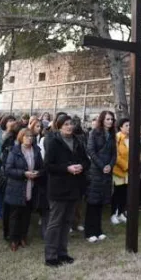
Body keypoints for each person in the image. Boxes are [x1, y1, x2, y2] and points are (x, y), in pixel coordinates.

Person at [44, 114, 90, 266]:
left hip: (74, 186)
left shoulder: (78, 141)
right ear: (59, 126)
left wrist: (81, 166)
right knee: (55, 221)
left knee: (67, 221)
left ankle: (62, 253)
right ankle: (51, 255)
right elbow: (48, 165)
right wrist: (66, 168)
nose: (69, 127)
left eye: (70, 124)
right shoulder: (53, 141)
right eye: (65, 124)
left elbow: (86, 160)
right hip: (58, 187)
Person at [5, 128, 44, 251]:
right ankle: (13, 239)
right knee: (15, 215)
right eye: (26, 136)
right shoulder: (14, 151)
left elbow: (42, 168)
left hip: (31, 187)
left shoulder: (36, 150)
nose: (29, 138)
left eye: (31, 136)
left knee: (27, 215)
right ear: (21, 137)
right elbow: (8, 170)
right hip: (17, 187)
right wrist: (23, 173)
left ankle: (23, 236)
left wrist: (37, 173)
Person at [85, 110, 117, 242]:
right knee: (92, 202)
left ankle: (98, 230)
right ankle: (89, 232)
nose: (110, 121)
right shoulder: (94, 133)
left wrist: (110, 165)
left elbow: (114, 153)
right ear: (102, 120)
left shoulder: (112, 134)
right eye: (108, 119)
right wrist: (102, 165)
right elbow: (91, 151)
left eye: (111, 119)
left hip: (107, 172)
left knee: (101, 202)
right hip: (96, 172)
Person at [111, 118, 130, 225]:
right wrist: (126, 166)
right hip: (119, 170)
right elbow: (116, 155)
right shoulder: (117, 138)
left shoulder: (131, 138)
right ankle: (113, 213)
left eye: (130, 125)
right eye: (126, 125)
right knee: (117, 192)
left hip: (129, 170)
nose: (129, 127)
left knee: (125, 192)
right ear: (120, 127)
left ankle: (121, 213)